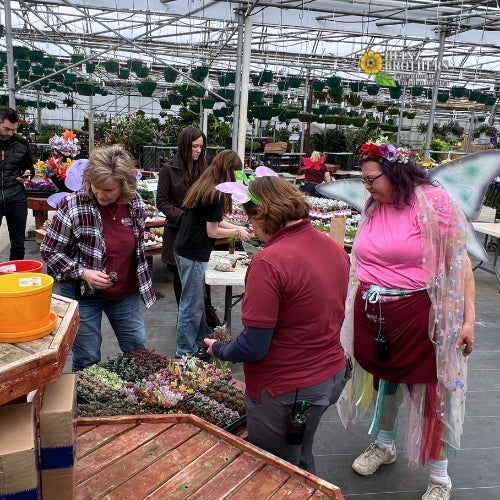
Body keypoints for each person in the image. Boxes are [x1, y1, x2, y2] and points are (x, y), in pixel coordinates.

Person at [338, 139, 475, 500]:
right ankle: (385, 445)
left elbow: (459, 263)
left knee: (430, 391)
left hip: (418, 316)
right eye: (363, 181)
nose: (366, 187)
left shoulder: (432, 203)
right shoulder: (374, 205)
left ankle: (439, 476)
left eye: (371, 180)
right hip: (375, 316)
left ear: (395, 171)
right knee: (386, 382)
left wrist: (468, 320)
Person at [205, 176, 351, 474]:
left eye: (249, 216)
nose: (251, 226)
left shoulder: (269, 262)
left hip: (286, 391)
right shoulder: (334, 248)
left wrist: (219, 348)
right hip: (330, 376)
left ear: (262, 214)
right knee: (299, 454)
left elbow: (254, 346)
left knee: (276, 472)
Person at [40, 144, 156, 371]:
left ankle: (135, 402)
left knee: (137, 351)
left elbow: (138, 250)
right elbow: (49, 251)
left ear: (124, 186)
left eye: (109, 190)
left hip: (125, 292)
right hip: (83, 294)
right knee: (87, 357)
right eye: (96, 186)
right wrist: (82, 272)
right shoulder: (73, 205)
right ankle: (87, 405)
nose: (100, 194)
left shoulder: (135, 205)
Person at [173, 149, 253, 359]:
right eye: (236, 172)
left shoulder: (206, 184)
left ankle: (201, 341)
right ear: (229, 170)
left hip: (184, 248)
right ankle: (184, 352)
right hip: (193, 253)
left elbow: (214, 221)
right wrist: (237, 231)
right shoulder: (217, 193)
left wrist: (236, 226)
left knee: (195, 301)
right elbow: (213, 231)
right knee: (191, 306)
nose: (236, 177)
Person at [156, 125, 221, 328]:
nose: (198, 151)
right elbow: (162, 201)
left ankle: (205, 318)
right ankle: (184, 321)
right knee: (180, 280)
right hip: (178, 232)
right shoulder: (169, 169)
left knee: (203, 277)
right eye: (194, 146)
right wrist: (184, 217)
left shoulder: (204, 170)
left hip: (201, 234)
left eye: (201, 147)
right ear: (184, 146)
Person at [0, 107, 35, 260]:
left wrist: (27, 175)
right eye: (6, 128)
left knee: (18, 243)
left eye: (13, 130)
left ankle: (15, 277)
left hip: (16, 199)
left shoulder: (21, 143)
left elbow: (30, 168)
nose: (10, 133)